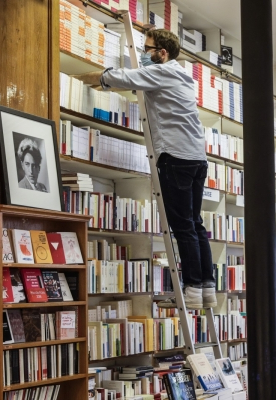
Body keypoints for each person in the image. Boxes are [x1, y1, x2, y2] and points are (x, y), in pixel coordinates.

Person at [73, 29, 215, 309]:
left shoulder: (162, 73)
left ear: (162, 53)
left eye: (148, 49)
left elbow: (121, 77)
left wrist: (83, 78)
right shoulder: (183, 77)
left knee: (183, 226)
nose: (144, 55)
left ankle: (191, 292)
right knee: (195, 224)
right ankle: (206, 288)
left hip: (176, 156)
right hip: (197, 158)